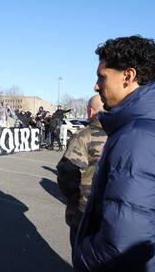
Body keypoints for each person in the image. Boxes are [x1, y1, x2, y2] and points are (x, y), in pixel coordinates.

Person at [73, 35, 155, 271]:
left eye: (102, 77)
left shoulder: (139, 137)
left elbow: (125, 241)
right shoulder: (149, 128)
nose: (96, 86)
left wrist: (84, 257)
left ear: (128, 76)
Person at [56, 94, 107, 252]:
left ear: (91, 111)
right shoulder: (126, 131)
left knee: (83, 256)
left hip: (87, 209)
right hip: (118, 211)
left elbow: (68, 171)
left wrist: (71, 200)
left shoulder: (84, 135)